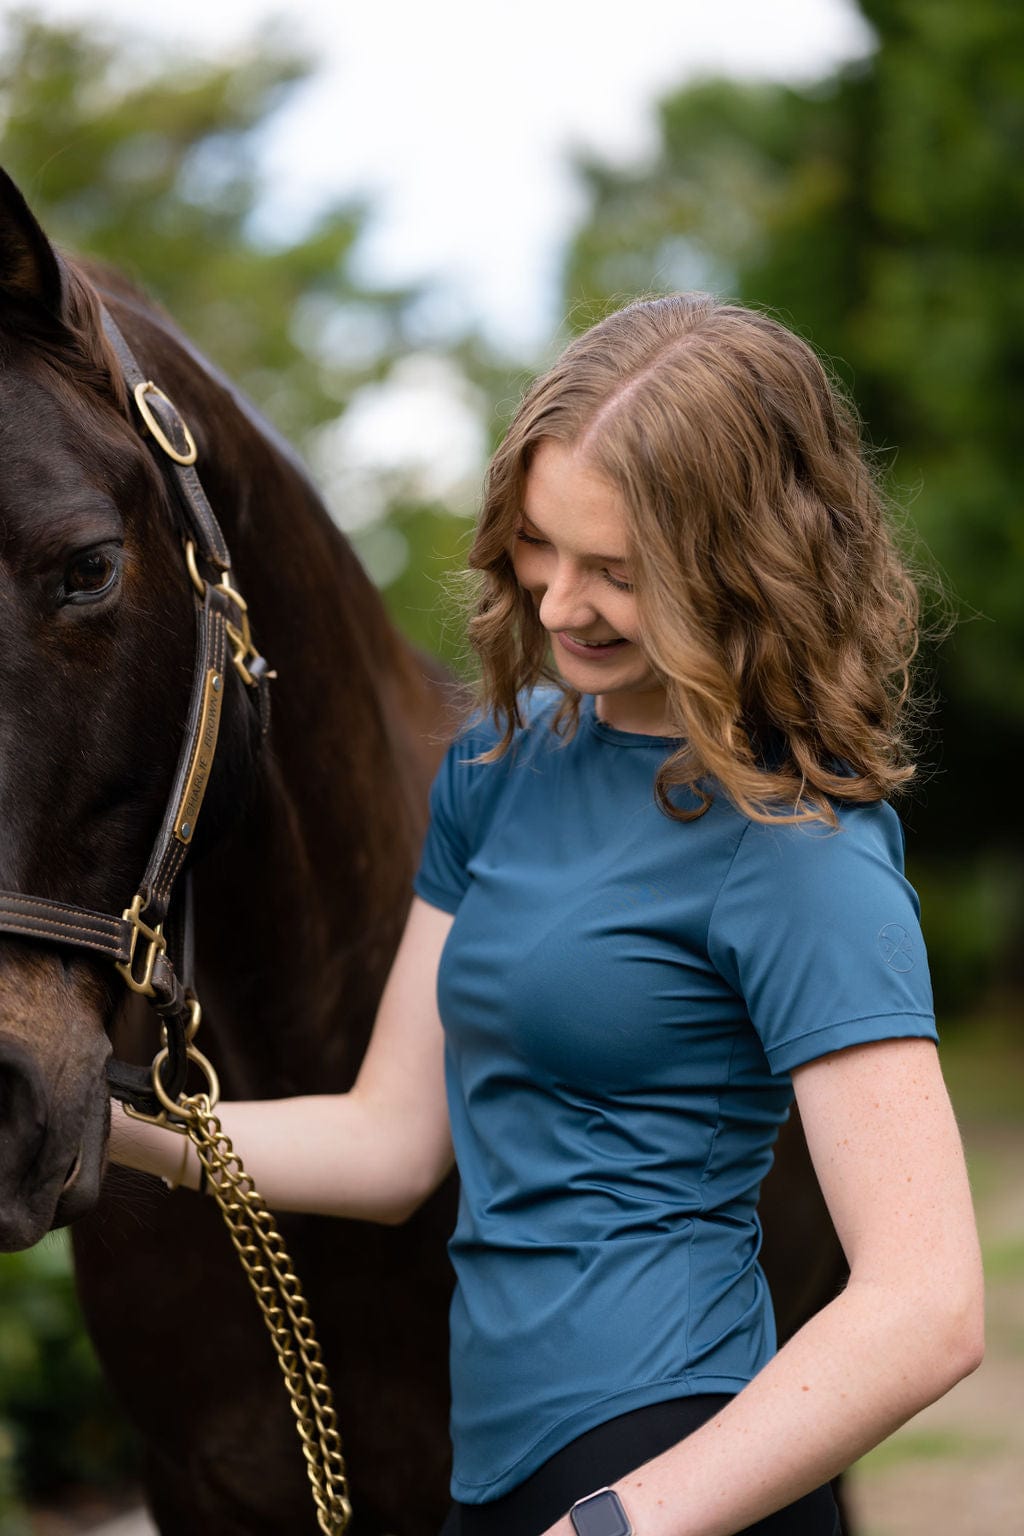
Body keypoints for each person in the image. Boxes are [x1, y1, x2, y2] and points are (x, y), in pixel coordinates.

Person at [112, 294, 984, 1536]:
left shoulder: (803, 850)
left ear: (740, 565)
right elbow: (391, 1141)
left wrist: (624, 1524)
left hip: (678, 1472)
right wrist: (124, 1135)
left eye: (617, 571)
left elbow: (928, 1300)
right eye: (537, 545)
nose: (560, 601)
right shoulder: (496, 772)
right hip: (498, 1482)